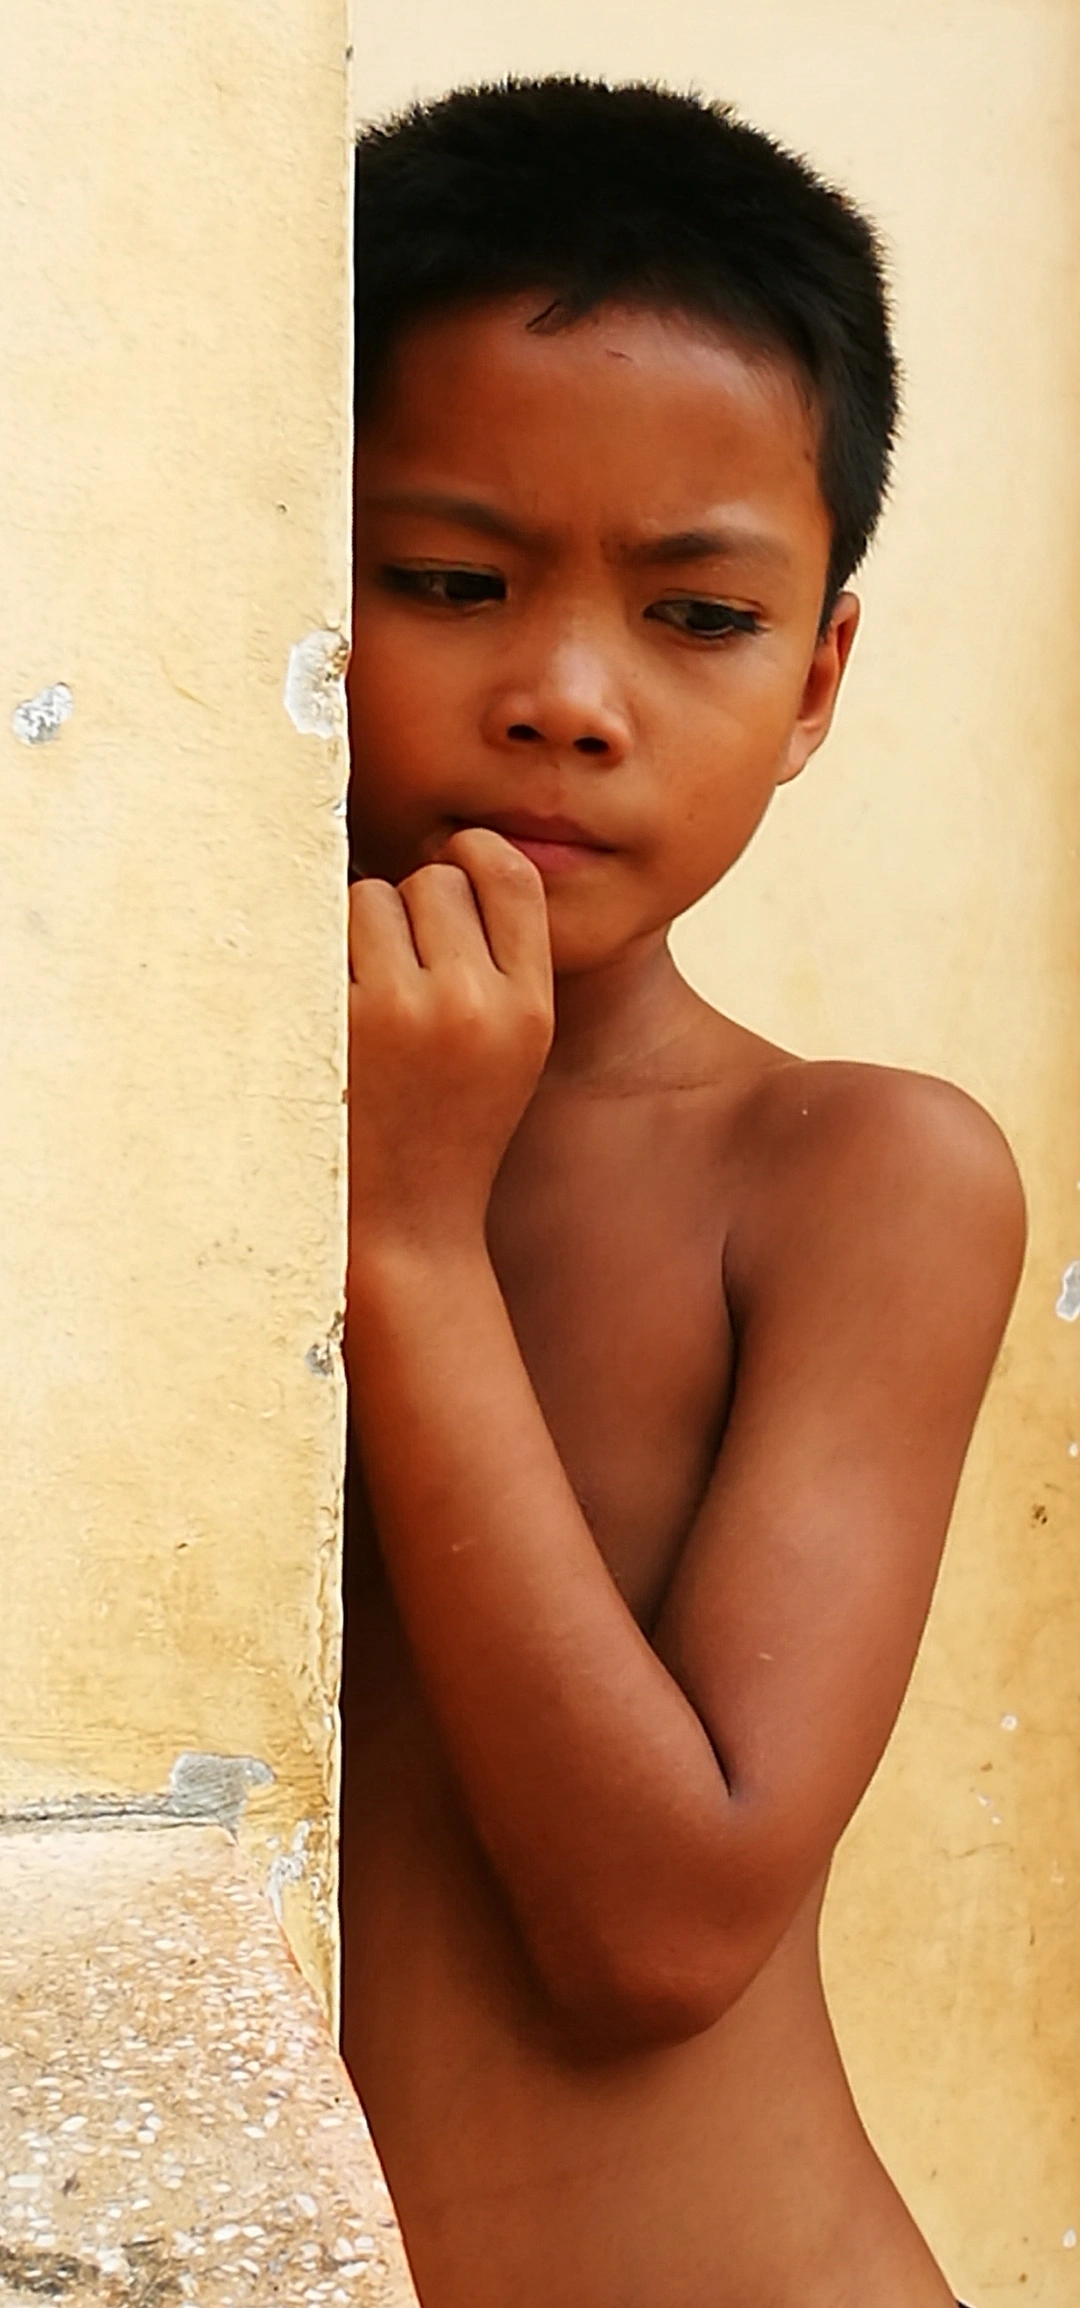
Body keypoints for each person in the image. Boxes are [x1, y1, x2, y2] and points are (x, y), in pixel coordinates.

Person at [339, 78, 1023, 2308]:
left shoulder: (853, 1179)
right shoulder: (117, 1130)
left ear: (817, 680)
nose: (566, 698)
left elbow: (655, 1934)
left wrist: (410, 1242)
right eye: (451, 582)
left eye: (699, 615)